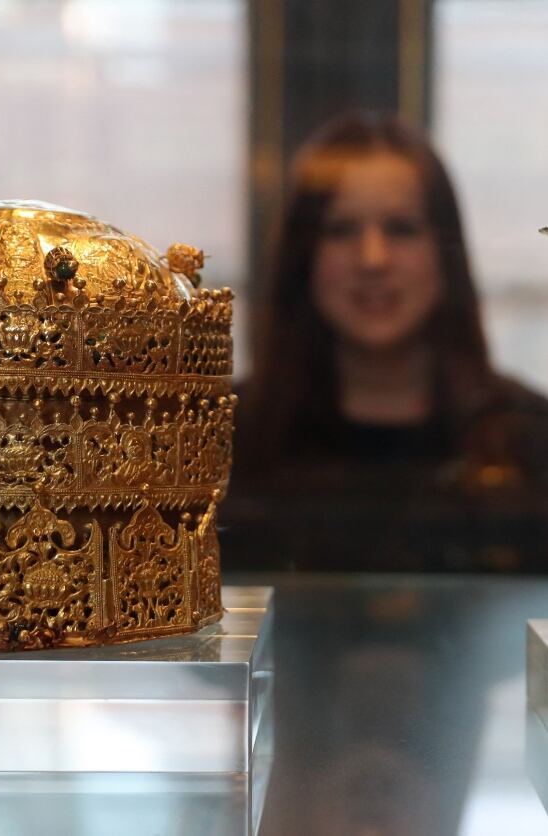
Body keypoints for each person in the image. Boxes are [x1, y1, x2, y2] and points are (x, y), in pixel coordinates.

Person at [222, 111, 548, 572]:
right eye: (340, 230)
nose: (372, 259)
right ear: (302, 258)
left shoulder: (531, 441)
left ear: (445, 253)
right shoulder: (220, 439)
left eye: (401, 229)